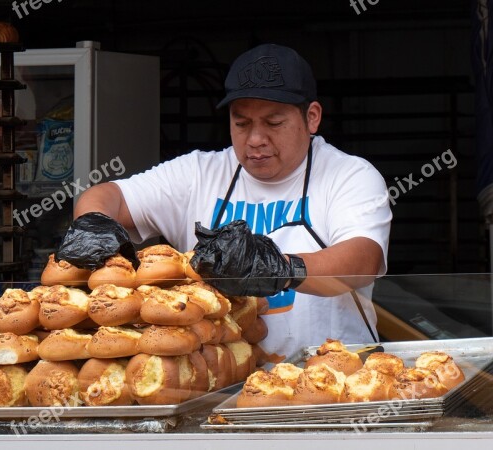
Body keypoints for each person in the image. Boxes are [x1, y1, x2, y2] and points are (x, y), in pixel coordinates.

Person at [57, 44, 392, 358]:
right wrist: (93, 223)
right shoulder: (199, 173)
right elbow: (104, 195)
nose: (256, 139)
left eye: (274, 123)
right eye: (241, 123)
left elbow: (364, 261)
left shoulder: (349, 175)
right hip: (224, 385)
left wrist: (281, 269)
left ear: (312, 117)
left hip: (332, 381)